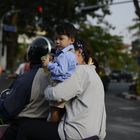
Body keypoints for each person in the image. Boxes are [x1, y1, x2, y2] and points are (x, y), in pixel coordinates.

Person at [16, 39, 106, 140]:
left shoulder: (79, 70)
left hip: (74, 133)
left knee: (24, 128)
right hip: (94, 134)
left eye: (68, 53)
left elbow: (55, 94)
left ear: (79, 52)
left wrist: (50, 87)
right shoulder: (93, 73)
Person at [0, 36, 53, 140]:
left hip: (22, 129)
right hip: (46, 128)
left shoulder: (27, 79)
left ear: (31, 53)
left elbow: (8, 110)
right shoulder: (57, 76)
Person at [41, 22, 78, 122]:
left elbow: (61, 70)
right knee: (59, 111)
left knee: (54, 111)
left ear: (72, 40)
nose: (57, 41)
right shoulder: (64, 53)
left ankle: (51, 130)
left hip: (60, 85)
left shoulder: (65, 55)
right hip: (64, 84)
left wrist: (49, 65)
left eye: (61, 39)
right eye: (55, 39)